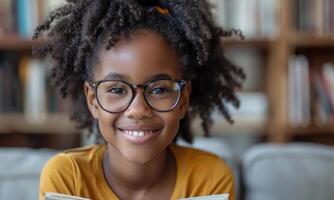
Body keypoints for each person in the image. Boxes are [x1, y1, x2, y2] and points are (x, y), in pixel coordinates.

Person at [34, 0, 245, 199]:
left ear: (183, 100)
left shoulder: (209, 179)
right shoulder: (67, 177)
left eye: (160, 90)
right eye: (117, 90)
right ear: (93, 101)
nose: (138, 109)